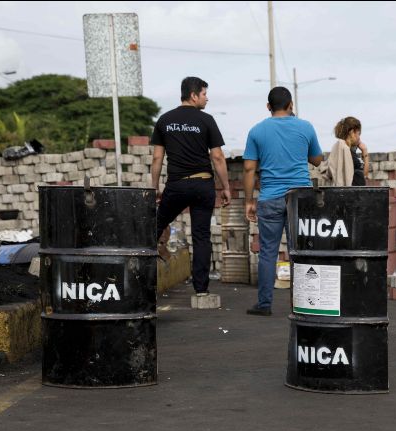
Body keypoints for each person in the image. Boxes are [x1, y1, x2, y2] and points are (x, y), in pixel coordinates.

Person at [243, 87, 324, 316]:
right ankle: (305, 304)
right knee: (300, 252)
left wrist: (249, 201)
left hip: (269, 198)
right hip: (300, 198)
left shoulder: (257, 131)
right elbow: (317, 160)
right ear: (290, 105)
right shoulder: (305, 127)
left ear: (268, 107)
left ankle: (264, 304)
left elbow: (249, 168)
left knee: (268, 252)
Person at [151, 76, 231, 297]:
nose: (207, 98)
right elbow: (217, 156)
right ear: (194, 95)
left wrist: (154, 187)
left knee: (154, 228)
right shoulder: (206, 120)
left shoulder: (164, 120)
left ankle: (141, 280)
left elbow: (157, 158)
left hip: (176, 185)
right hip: (203, 184)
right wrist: (225, 187)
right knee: (201, 236)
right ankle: (201, 290)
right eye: (204, 94)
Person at [325, 116, 369, 187]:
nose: (359, 138)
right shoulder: (346, 151)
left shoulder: (345, 151)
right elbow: (364, 177)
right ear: (352, 132)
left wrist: (364, 151)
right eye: (358, 134)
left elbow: (364, 177)